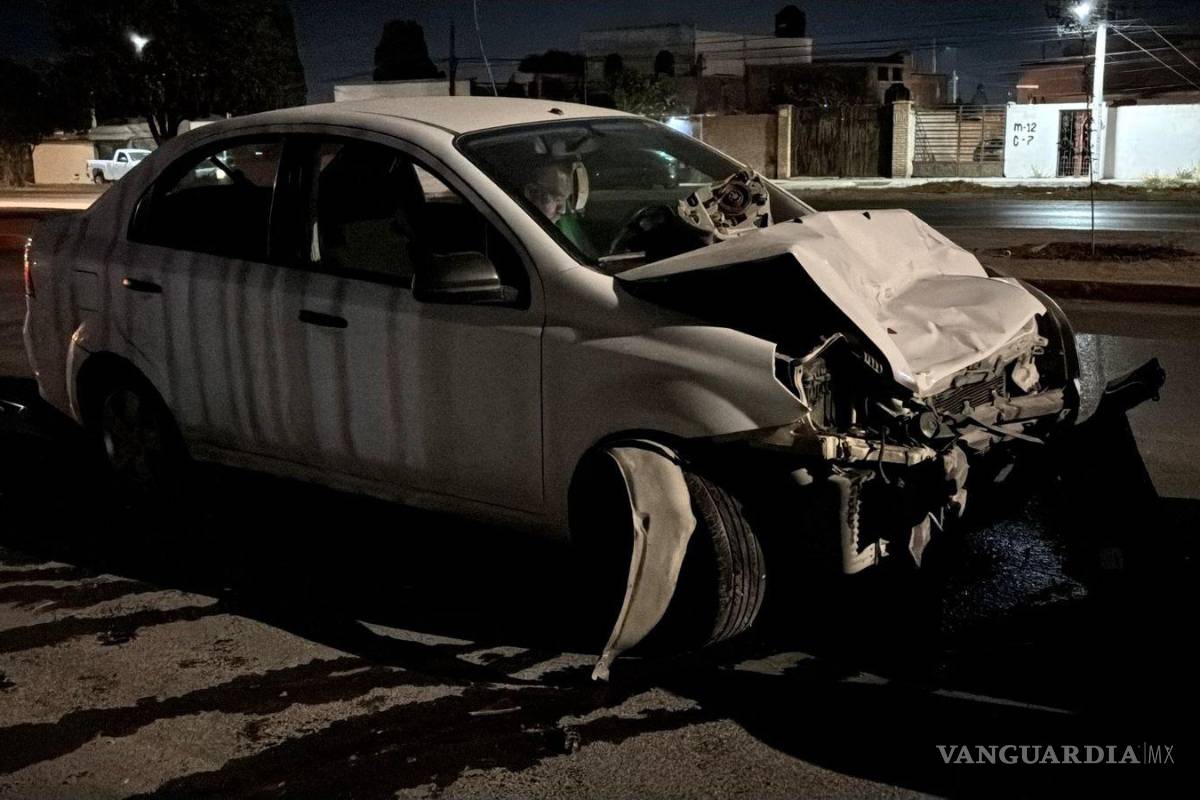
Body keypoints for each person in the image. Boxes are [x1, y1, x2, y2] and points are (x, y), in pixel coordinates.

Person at [523, 161, 595, 258]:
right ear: (532, 193)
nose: (562, 210)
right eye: (556, 199)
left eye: (566, 199)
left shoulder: (567, 222)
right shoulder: (521, 236)